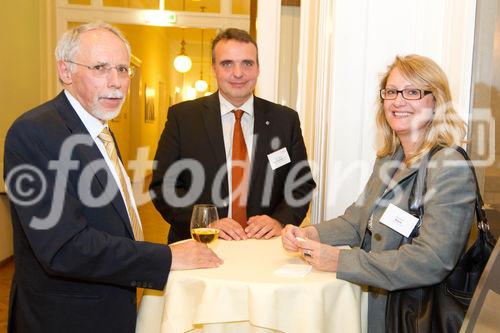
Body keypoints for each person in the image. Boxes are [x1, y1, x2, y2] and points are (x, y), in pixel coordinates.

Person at [4, 22, 222, 333]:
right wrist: (166, 257)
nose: (116, 82)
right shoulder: (36, 132)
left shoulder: (99, 128)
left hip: (109, 307)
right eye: (100, 68)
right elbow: (64, 247)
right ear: (65, 71)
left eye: (122, 69)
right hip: (64, 319)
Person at [282, 55, 476, 333]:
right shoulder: (389, 159)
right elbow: (356, 221)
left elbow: (432, 260)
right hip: (376, 308)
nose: (398, 101)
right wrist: (311, 234)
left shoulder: (448, 166)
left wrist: (341, 261)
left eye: (412, 92)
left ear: (437, 101)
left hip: (414, 317)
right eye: (392, 91)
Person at [150, 28, 316, 243]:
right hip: (199, 244)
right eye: (227, 63)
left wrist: (279, 221)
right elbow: (164, 186)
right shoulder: (183, 118)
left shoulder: (285, 120)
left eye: (247, 63)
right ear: (214, 69)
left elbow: (300, 184)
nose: (238, 73)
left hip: (263, 247)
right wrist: (206, 224)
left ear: (258, 69)